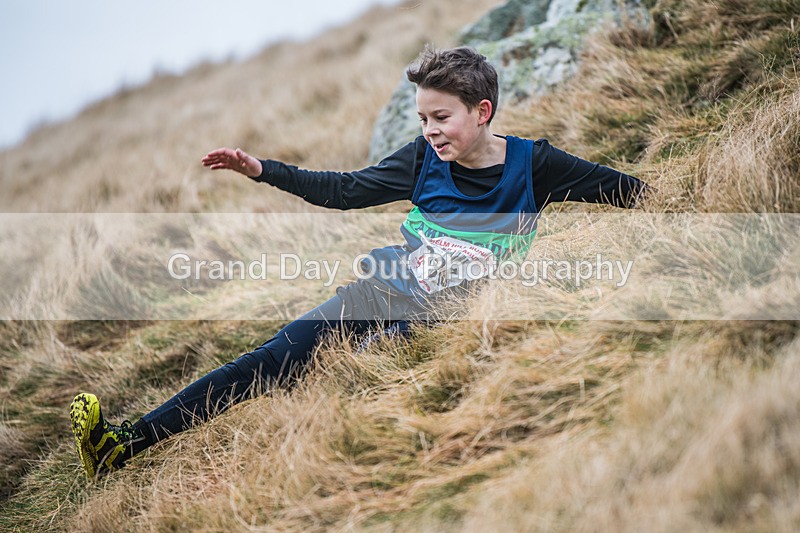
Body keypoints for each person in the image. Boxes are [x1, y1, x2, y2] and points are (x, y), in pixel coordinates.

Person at [69, 45, 647, 480]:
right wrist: (262, 169)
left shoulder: (534, 166)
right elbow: (345, 189)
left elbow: (628, 192)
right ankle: (121, 443)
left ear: (482, 111)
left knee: (375, 359)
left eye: (440, 118)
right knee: (267, 360)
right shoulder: (423, 159)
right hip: (384, 286)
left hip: (448, 314)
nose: (429, 131)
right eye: (423, 119)